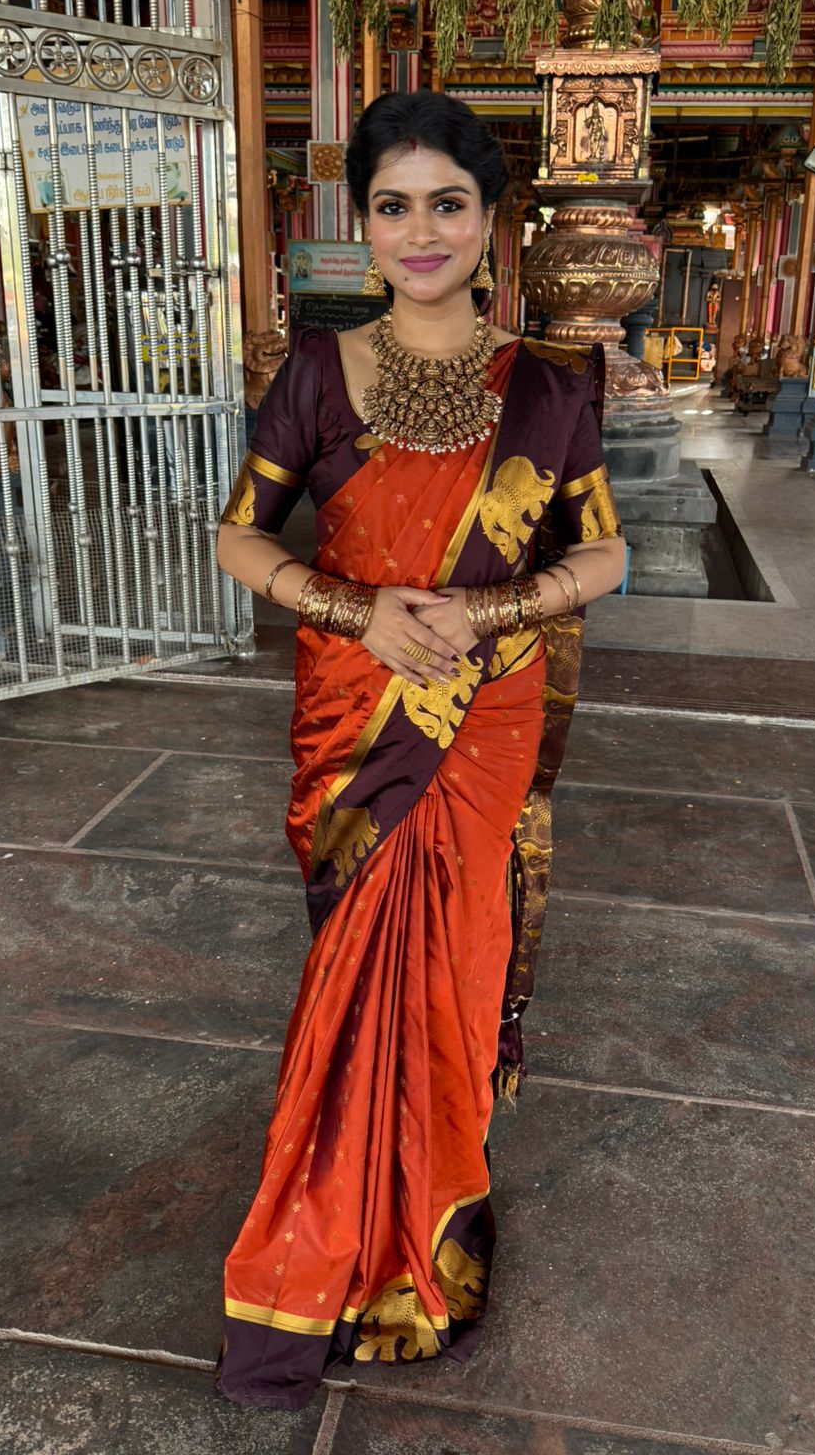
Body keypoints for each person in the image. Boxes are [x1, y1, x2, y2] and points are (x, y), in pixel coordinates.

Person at [214, 90, 627, 1409]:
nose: (421, 230)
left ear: (491, 219)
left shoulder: (551, 386)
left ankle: (429, 1223)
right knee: (357, 966)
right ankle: (330, 1237)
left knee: (456, 963)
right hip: (359, 715)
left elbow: (604, 553)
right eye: (393, 206)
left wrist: (492, 611)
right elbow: (240, 536)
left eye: (448, 202)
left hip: (484, 716)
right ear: (365, 226)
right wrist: (359, 612)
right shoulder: (316, 371)